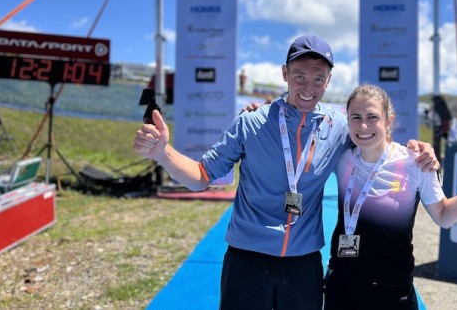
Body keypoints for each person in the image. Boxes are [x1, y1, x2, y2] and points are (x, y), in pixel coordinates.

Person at [132, 35, 439, 310]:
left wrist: (419, 151)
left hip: (302, 266)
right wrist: (163, 153)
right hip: (246, 260)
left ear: (328, 81)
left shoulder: (340, 126)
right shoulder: (251, 123)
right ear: (285, 74)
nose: (309, 87)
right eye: (300, 76)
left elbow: (374, 137)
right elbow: (200, 176)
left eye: (318, 79)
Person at [323, 84, 457, 310]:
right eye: (356, 117)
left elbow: (444, 216)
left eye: (373, 117)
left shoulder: (416, 163)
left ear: (389, 120)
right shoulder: (341, 156)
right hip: (343, 289)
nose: (363, 125)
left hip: (392, 293)